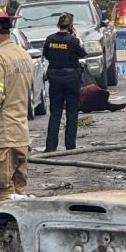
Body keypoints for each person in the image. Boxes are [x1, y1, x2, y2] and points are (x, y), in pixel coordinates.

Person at [0, 5, 33, 202]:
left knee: (1, 192)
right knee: (18, 193)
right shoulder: (22, 54)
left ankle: (2, 232)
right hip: (20, 136)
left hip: (0, 139)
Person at [43, 12, 87, 152]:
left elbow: (46, 55)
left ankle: (51, 146)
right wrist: (74, 36)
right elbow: (82, 54)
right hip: (71, 78)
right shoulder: (73, 41)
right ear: (70, 26)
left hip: (55, 78)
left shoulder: (50, 40)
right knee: (72, 112)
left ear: (58, 25)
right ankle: (70, 145)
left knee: (55, 112)